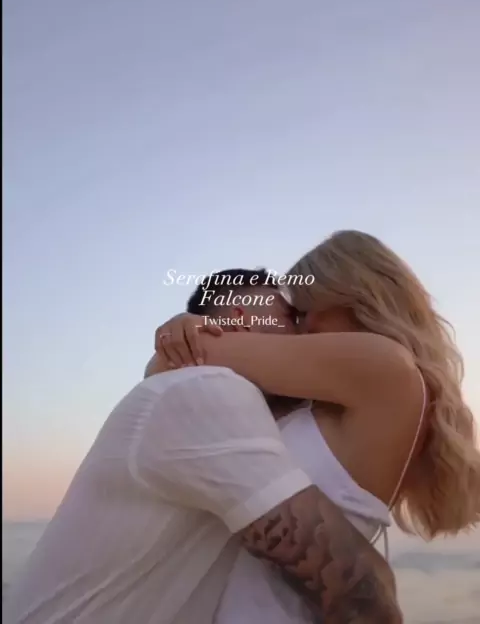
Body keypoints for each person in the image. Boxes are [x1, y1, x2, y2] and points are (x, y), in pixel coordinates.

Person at [3, 268, 401, 624]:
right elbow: (359, 593)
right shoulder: (209, 390)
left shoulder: (199, 395)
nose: (304, 331)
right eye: (288, 315)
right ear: (242, 317)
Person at [150, 231, 480, 623]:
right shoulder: (317, 401)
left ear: (352, 297)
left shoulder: (386, 367)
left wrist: (186, 330)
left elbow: (177, 363)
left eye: (302, 312)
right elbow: (165, 378)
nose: (299, 329)